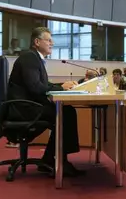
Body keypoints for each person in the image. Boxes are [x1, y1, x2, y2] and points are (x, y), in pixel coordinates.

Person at [7, 27, 83, 176]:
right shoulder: (29, 58)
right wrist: (61, 88)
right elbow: (35, 87)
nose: (52, 43)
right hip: (24, 108)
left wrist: (60, 86)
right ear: (37, 42)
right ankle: (57, 160)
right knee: (66, 113)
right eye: (48, 40)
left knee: (66, 111)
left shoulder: (34, 58)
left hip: (28, 105)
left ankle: (51, 158)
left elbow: (41, 85)